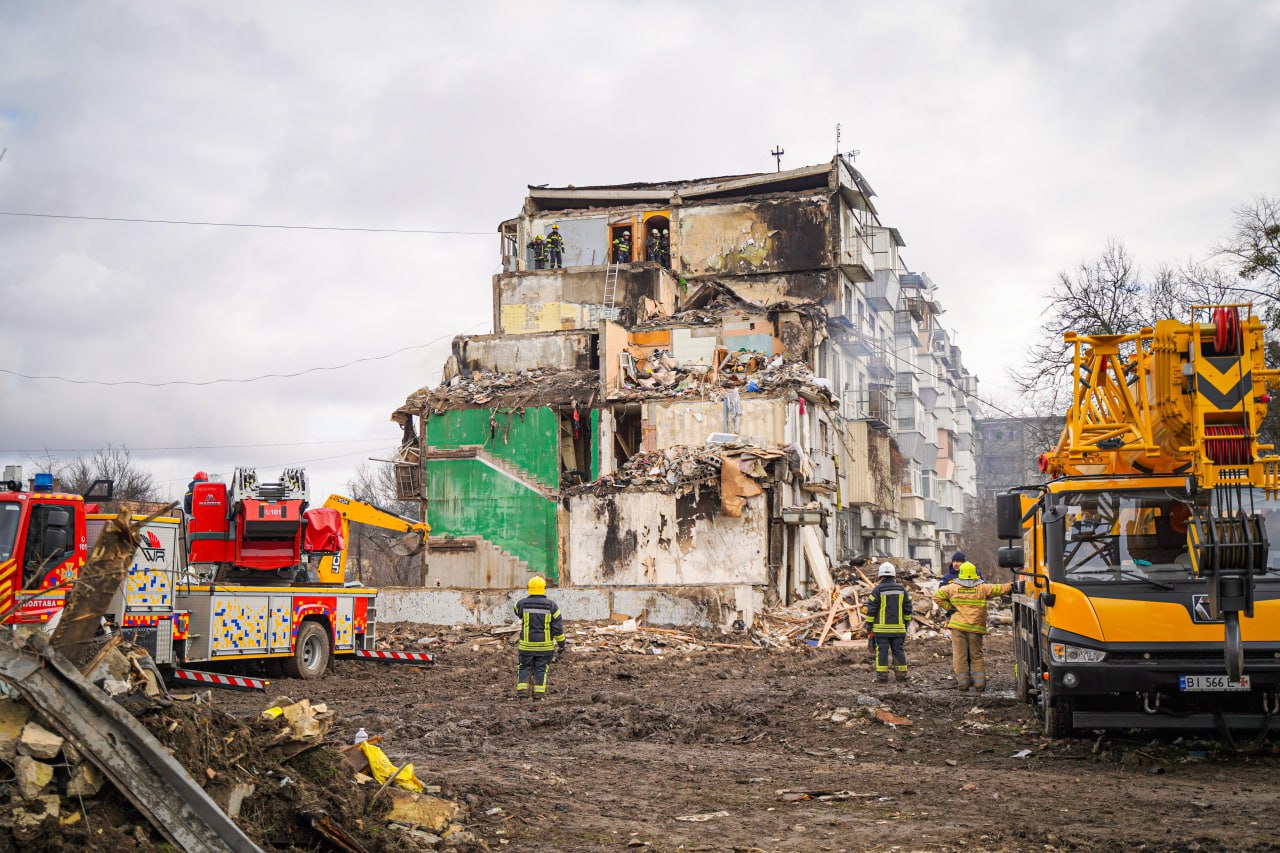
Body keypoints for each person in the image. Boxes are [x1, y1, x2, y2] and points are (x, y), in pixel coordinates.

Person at [934, 561, 1019, 691]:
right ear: (975, 574)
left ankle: (963, 684)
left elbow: (937, 596)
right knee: (977, 656)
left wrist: (949, 608)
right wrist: (1014, 585)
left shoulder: (951, 588)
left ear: (960, 574)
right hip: (975, 627)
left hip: (958, 627)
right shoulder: (982, 588)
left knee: (960, 656)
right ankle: (979, 685)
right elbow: (1000, 588)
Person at [513, 575, 565, 699]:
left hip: (526, 647)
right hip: (544, 648)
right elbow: (557, 629)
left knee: (524, 667)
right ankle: (538, 695)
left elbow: (516, 611)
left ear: (529, 588)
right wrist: (562, 645)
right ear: (544, 589)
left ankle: (522, 694)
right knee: (541, 669)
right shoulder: (552, 606)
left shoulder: (522, 604)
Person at [864, 562, 913, 683]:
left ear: (880, 575)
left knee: (882, 652)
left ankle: (882, 677)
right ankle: (901, 676)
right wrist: (906, 622)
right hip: (898, 629)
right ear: (894, 575)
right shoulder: (902, 589)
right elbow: (908, 608)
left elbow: (871, 610)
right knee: (899, 651)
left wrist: (869, 626)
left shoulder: (877, 590)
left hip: (881, 631)